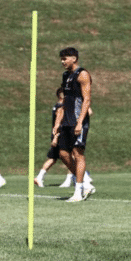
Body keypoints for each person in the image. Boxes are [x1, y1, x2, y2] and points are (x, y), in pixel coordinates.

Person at [53, 47, 94, 202]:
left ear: (74, 58)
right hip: (67, 121)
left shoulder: (82, 74)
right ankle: (85, 183)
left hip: (78, 120)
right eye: (61, 59)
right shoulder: (65, 76)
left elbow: (86, 100)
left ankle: (78, 191)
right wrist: (58, 122)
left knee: (78, 154)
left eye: (65, 58)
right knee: (63, 153)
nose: (63, 62)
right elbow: (65, 101)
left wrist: (80, 122)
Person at [35, 88, 93, 188]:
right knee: (68, 156)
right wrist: (56, 137)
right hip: (62, 134)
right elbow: (89, 111)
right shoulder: (62, 107)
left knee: (61, 157)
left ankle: (75, 179)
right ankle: (79, 178)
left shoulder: (59, 106)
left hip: (62, 133)